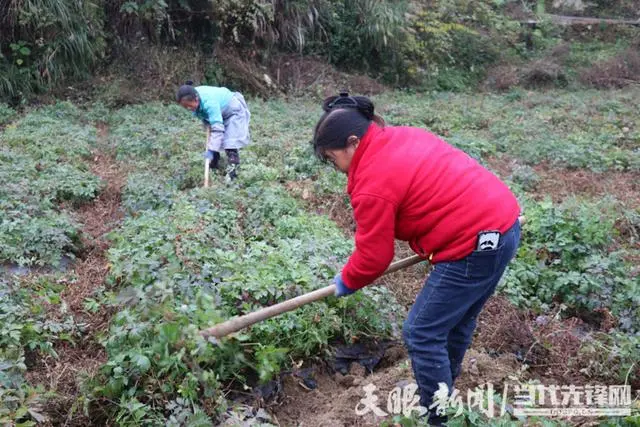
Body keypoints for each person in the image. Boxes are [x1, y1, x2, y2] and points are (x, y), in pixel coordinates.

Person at [312, 92, 521, 425]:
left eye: (331, 156)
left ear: (352, 142)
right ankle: (442, 391)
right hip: (504, 228)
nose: (333, 165)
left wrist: (348, 281)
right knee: (455, 322)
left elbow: (374, 256)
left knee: (421, 332)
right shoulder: (403, 135)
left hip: (472, 246)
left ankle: (437, 416)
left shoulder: (371, 182)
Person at [176, 81, 251, 181]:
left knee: (230, 142)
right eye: (185, 107)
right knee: (213, 140)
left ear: (196, 99)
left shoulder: (209, 103)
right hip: (218, 112)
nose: (188, 109)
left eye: (189, 105)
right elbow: (206, 116)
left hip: (233, 110)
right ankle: (214, 163)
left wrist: (211, 150)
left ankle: (233, 171)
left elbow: (217, 130)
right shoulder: (192, 94)